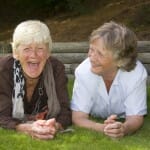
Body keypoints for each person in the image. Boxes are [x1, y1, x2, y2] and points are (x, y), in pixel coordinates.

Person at [71, 21, 147, 138]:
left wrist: (124, 129)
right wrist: (102, 128)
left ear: (120, 60)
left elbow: (135, 118)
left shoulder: (136, 74)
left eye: (100, 54)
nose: (91, 57)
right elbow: (78, 117)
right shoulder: (83, 72)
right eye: (91, 49)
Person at [0, 20, 71, 140]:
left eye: (40, 48)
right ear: (16, 53)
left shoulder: (56, 69)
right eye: (27, 49)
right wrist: (25, 128)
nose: (34, 55)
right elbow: (2, 115)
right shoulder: (4, 70)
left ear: (48, 52)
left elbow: (65, 111)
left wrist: (53, 126)